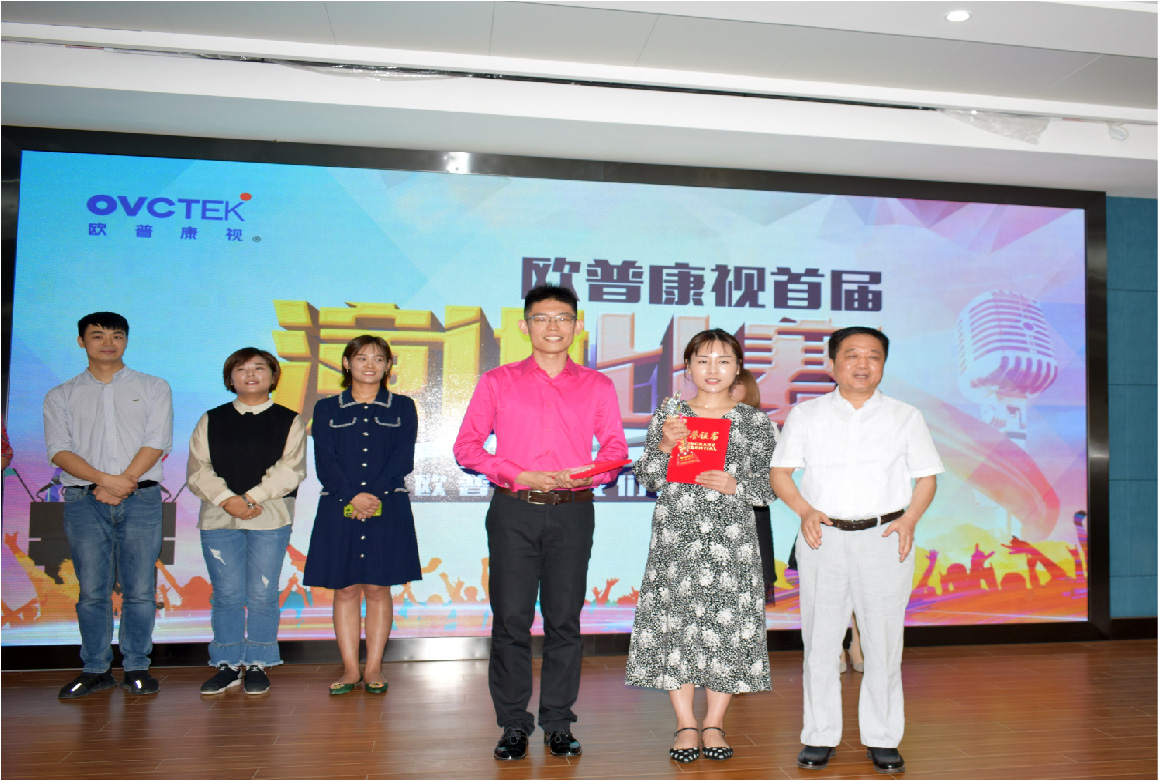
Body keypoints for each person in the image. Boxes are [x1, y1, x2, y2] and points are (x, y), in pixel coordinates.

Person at [453, 284, 628, 760]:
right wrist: (518, 473)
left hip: (573, 511)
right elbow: (466, 448)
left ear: (577, 325)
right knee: (510, 619)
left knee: (564, 619)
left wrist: (589, 473)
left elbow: (615, 449)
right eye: (542, 318)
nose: (553, 326)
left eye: (563, 318)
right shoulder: (497, 381)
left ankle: (558, 722)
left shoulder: (598, 385)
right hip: (514, 509)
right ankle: (513, 723)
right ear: (524, 325)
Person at [770, 326, 943, 774]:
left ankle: (883, 738)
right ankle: (819, 736)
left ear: (883, 364)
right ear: (832, 364)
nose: (863, 364)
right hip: (822, 537)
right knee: (820, 642)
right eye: (851, 355)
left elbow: (926, 477)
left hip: (885, 538)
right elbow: (781, 473)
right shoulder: (806, 415)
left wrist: (909, 519)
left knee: (883, 644)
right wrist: (804, 511)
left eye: (873, 356)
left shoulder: (906, 416)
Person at [627, 329, 775, 763]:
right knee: (676, 627)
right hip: (677, 538)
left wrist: (736, 484)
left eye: (724, 361)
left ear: (737, 368)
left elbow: (770, 487)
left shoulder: (754, 422)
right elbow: (648, 477)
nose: (713, 370)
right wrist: (665, 445)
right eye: (703, 360)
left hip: (732, 542)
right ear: (688, 367)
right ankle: (685, 724)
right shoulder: (670, 413)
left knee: (726, 628)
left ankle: (713, 723)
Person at [43, 312, 173, 698]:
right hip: (84, 501)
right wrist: (105, 481)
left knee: (140, 589)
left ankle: (137, 666)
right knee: (92, 591)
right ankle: (96, 668)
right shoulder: (61, 394)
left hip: (142, 497)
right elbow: (59, 450)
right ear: (81, 341)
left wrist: (122, 482)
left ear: (126, 341)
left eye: (116, 336)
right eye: (97, 335)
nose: (108, 343)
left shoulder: (153, 386)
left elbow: (157, 441)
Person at [304, 335, 421, 695]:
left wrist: (374, 497)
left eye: (378, 359)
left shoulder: (402, 407)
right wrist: (352, 497)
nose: (370, 365)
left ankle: (373, 668)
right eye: (361, 358)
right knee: (345, 588)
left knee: (378, 587)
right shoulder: (328, 408)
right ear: (346, 363)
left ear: (388, 366)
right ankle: (350, 669)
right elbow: (325, 461)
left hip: (388, 505)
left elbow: (402, 459)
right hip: (339, 506)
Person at [186, 347, 306, 695]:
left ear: (273, 376)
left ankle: (258, 662)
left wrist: (250, 498)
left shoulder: (289, 420)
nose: (250, 374)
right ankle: (227, 663)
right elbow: (198, 469)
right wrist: (229, 500)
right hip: (218, 517)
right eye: (241, 369)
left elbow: (291, 470)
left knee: (262, 593)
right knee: (226, 594)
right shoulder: (212, 419)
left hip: (269, 516)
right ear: (230, 378)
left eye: (259, 368)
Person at [730, 369, 778, 603]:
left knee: (750, 592)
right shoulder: (699, 422)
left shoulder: (764, 425)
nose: (729, 388)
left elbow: (772, 477)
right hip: (709, 512)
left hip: (751, 510)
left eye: (735, 384)